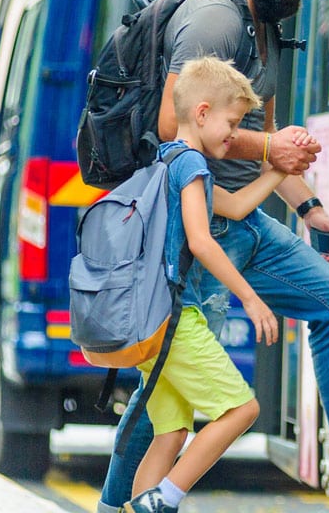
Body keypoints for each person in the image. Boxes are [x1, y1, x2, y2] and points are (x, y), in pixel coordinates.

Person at [97, 0, 329, 513]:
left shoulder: (260, 23)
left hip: (244, 217)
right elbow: (170, 125)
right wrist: (272, 146)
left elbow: (266, 147)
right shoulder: (214, 19)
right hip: (201, 228)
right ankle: (116, 505)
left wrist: (312, 210)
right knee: (166, 399)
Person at [122, 56, 295, 513]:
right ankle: (162, 501)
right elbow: (201, 240)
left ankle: (139, 506)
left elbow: (234, 208)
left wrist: (280, 168)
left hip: (148, 320)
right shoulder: (193, 164)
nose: (234, 135)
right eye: (232, 123)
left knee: (170, 433)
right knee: (242, 410)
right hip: (176, 320)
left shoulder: (166, 159)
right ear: (202, 113)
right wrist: (250, 298)